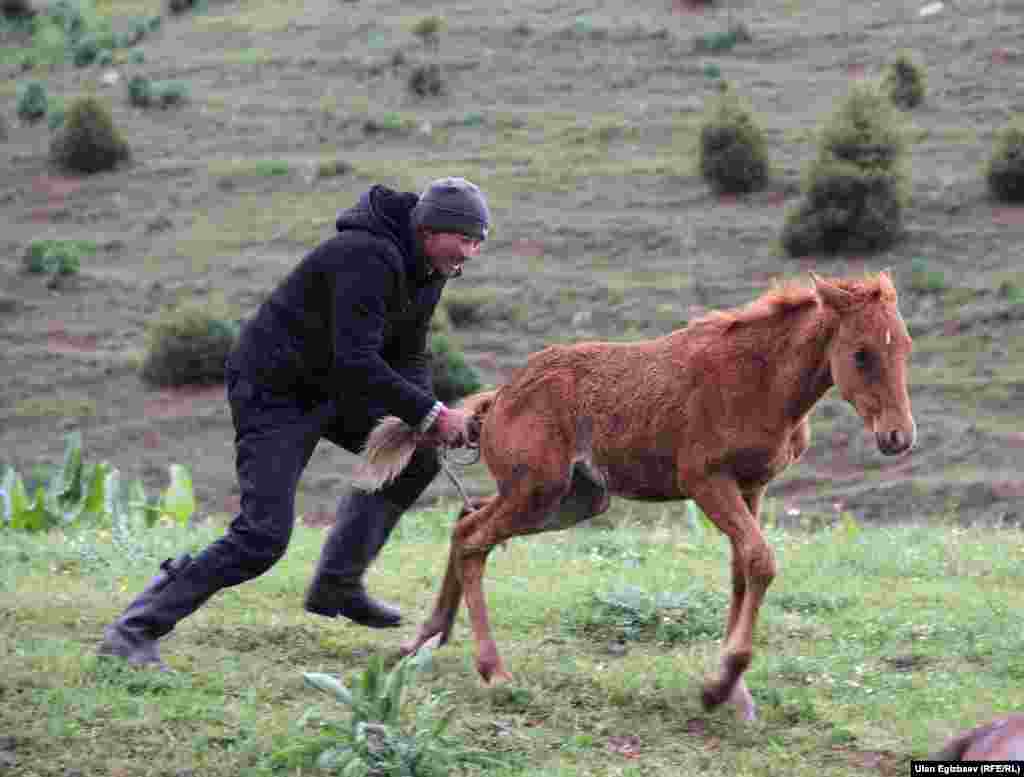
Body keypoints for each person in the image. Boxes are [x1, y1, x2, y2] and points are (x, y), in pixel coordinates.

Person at [98, 177, 491, 669]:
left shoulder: (429, 270)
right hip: (276, 391)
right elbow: (356, 359)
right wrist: (431, 412)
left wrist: (425, 417)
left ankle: (336, 584)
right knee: (262, 537)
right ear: (432, 229)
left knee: (418, 456)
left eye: (479, 242)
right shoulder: (365, 255)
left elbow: (407, 354)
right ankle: (133, 631)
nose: (471, 253)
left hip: (334, 387)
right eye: (466, 239)